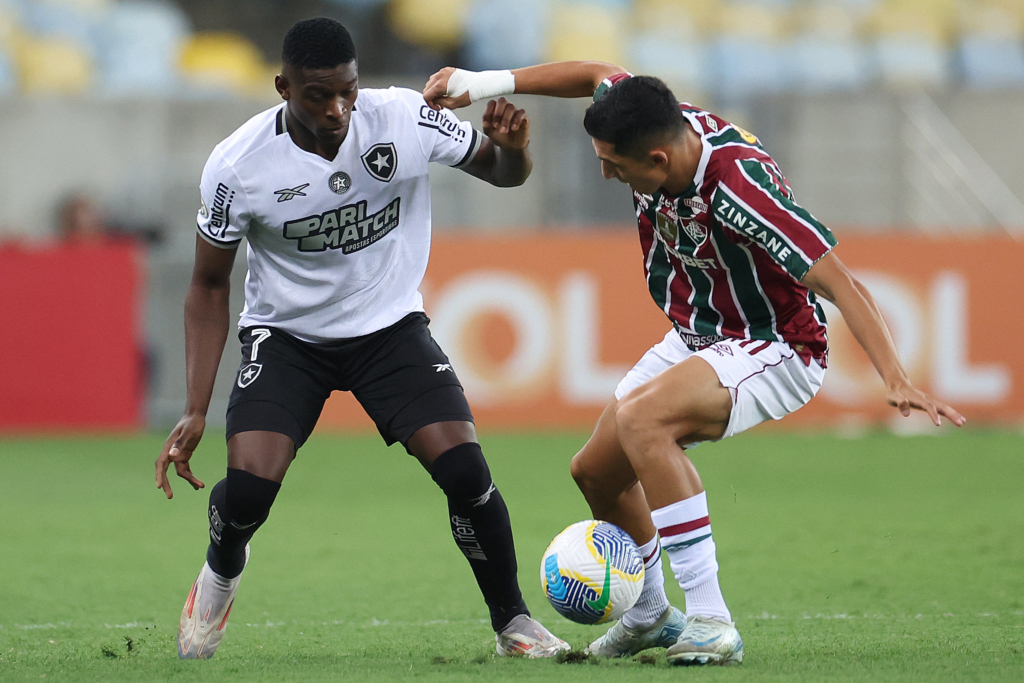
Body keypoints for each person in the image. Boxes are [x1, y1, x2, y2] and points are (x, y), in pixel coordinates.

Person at [423, 63, 966, 666]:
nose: (605, 171)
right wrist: (486, 83)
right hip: (697, 335)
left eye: (614, 164)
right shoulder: (645, 116)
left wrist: (895, 378)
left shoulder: (740, 187)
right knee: (595, 473)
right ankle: (651, 615)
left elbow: (840, 282)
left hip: (777, 345)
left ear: (658, 160)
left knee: (644, 421)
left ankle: (712, 620)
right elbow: (597, 74)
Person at [154, 18, 569, 661]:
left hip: (389, 330)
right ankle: (219, 573)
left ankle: (513, 623)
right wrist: (194, 407)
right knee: (251, 492)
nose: (338, 108)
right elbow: (208, 286)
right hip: (287, 336)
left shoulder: (404, 117)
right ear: (282, 87)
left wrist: (512, 148)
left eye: (347, 90)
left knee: (465, 469)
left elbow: (504, 174)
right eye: (318, 95)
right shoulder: (238, 166)